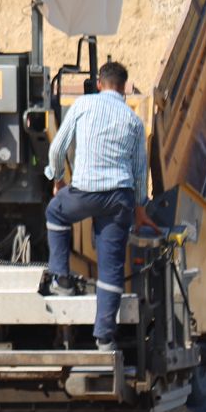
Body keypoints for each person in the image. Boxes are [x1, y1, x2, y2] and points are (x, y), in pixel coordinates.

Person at [42, 61, 149, 349]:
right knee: (111, 267)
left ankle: (61, 279)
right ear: (125, 89)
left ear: (99, 84)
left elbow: (57, 149)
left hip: (84, 192)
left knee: (55, 212)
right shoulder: (133, 120)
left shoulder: (83, 105)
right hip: (118, 199)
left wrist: (58, 178)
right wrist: (140, 207)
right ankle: (104, 339)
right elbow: (140, 172)